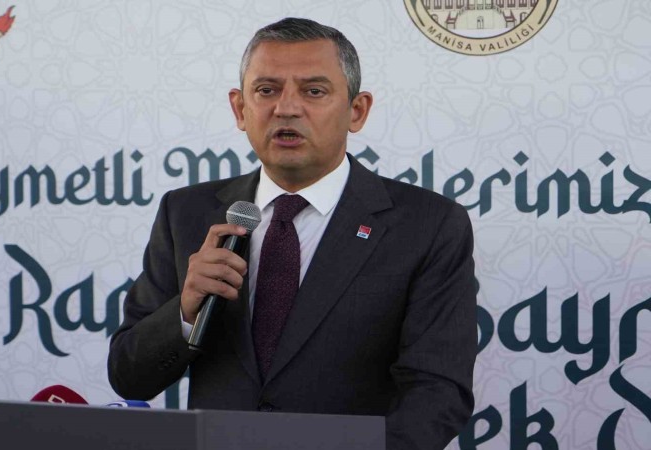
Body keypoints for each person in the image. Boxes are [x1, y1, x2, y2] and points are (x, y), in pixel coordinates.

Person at [108, 17, 476, 450]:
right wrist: (185, 312)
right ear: (240, 109)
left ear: (356, 111)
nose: (286, 108)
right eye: (266, 90)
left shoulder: (427, 225)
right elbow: (129, 377)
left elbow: (437, 393)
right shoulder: (186, 213)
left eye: (313, 91)